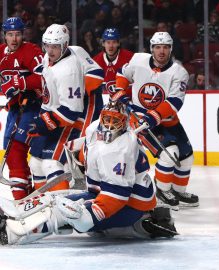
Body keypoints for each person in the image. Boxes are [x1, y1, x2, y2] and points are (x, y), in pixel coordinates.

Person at [0, 101, 177, 245]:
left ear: (123, 124)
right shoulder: (94, 128)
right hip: (100, 193)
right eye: (107, 119)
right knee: (54, 199)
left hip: (130, 206)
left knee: (62, 214)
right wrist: (75, 147)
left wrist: (89, 216)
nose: (109, 125)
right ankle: (16, 211)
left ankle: (11, 233)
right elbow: (90, 141)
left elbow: (118, 196)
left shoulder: (121, 149)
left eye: (115, 121)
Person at [112, 32, 199, 208]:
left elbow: (174, 102)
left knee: (186, 156)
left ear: (171, 49)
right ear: (151, 49)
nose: (161, 51)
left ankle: (177, 191)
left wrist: (153, 117)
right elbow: (122, 73)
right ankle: (161, 191)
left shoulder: (179, 72)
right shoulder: (138, 60)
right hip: (139, 119)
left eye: (165, 47)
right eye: (158, 47)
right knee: (170, 154)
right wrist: (120, 90)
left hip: (167, 120)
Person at [27, 24, 104, 191]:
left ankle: (62, 200)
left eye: (55, 46)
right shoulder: (55, 56)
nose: (50, 50)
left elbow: (70, 112)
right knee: (35, 163)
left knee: (51, 163)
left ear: (65, 45)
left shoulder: (68, 71)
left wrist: (43, 123)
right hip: (58, 112)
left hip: (73, 116)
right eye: (47, 45)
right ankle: (42, 200)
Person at [0, 17, 44, 200]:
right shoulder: (1, 53)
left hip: (34, 107)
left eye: (17, 34)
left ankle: (24, 197)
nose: (14, 39)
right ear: (4, 36)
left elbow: (45, 75)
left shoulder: (31, 51)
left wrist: (20, 82)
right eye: (10, 34)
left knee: (16, 148)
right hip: (14, 110)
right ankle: (23, 196)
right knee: (10, 152)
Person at [93, 28, 134, 96]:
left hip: (126, 100)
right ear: (103, 44)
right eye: (108, 42)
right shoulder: (95, 61)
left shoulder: (131, 58)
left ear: (118, 43)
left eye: (114, 42)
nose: (111, 46)